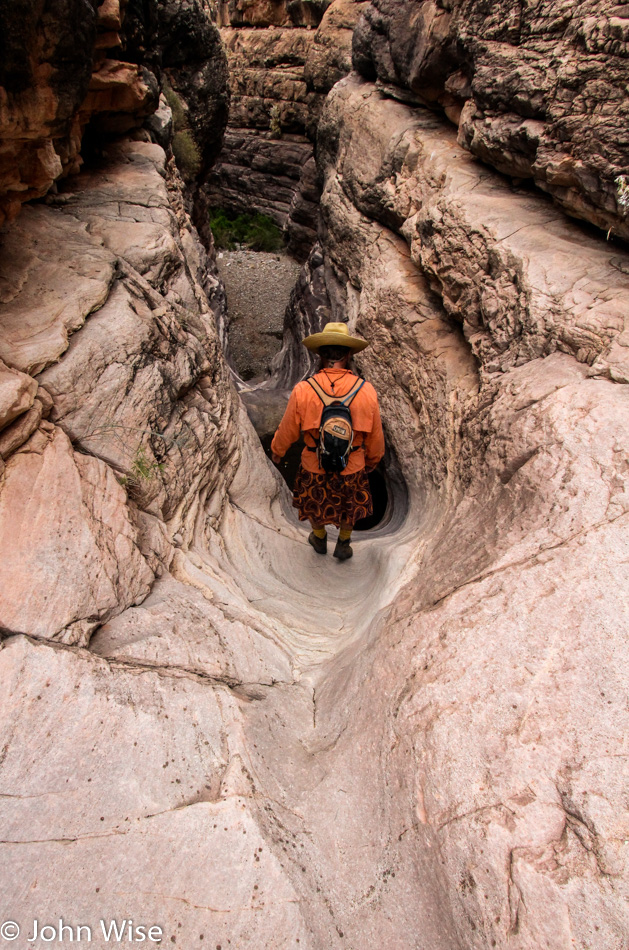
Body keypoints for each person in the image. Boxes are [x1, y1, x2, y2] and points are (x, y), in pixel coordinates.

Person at [271, 321, 384, 560]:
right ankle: (343, 542)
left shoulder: (304, 389)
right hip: (351, 464)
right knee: (348, 506)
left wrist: (277, 451)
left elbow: (288, 428)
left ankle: (319, 537)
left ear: (321, 354)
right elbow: (375, 435)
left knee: (314, 502)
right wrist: (373, 459)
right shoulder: (366, 390)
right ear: (349, 354)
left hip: (315, 463)